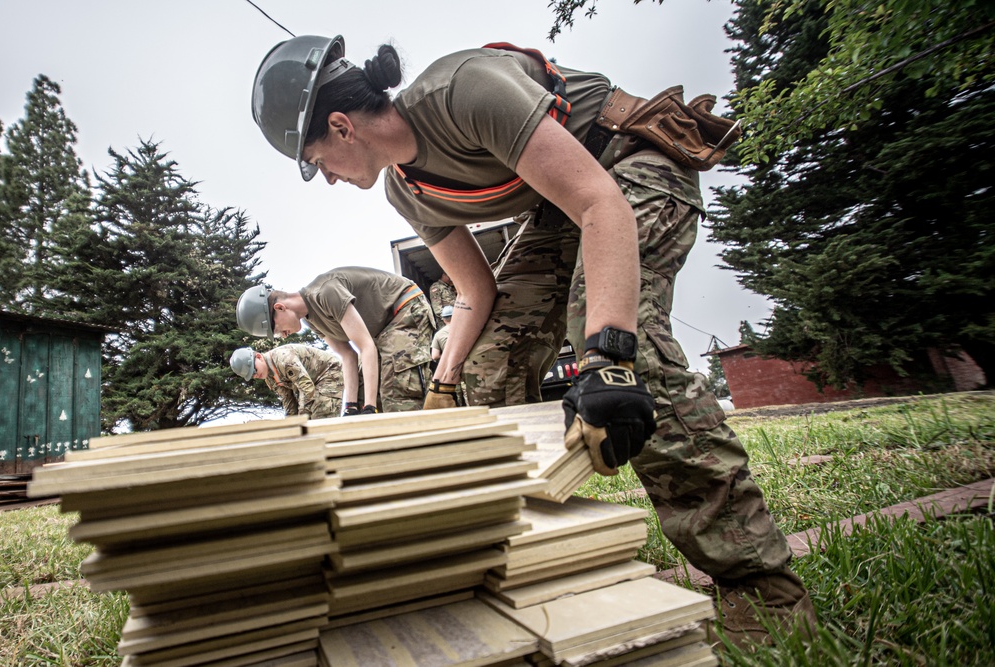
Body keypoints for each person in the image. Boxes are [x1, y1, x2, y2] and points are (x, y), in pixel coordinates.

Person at [250, 35, 816, 645]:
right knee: (490, 365)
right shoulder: (404, 190)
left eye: (317, 163)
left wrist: (607, 358)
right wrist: (446, 383)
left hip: (629, 161)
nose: (327, 180)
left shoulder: (461, 88)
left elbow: (600, 202)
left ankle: (765, 590)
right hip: (562, 204)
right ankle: (539, 554)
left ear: (340, 127)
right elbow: (477, 293)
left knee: (627, 355)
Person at [235, 267, 434, 414]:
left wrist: (370, 408)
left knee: (395, 392)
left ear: (280, 308)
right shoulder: (312, 321)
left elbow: (365, 346)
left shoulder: (325, 293)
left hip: (405, 308)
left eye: (276, 329)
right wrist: (351, 406)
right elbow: (348, 356)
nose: (282, 336)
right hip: (382, 332)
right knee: (364, 394)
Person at [229, 344, 344, 419]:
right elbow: (288, 400)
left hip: (329, 372)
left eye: (254, 370)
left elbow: (306, 388)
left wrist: (302, 418)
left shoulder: (284, 359)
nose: (256, 375)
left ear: (259, 357)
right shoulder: (269, 377)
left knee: (321, 415)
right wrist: (290, 424)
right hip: (312, 383)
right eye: (251, 375)